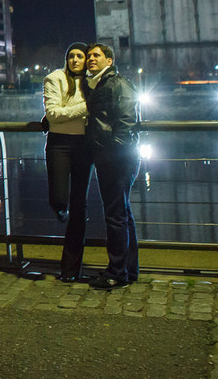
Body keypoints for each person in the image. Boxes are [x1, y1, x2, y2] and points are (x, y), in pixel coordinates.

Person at [83, 43, 141, 290]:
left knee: (116, 216)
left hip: (117, 158)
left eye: (96, 55)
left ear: (109, 60)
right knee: (122, 214)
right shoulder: (100, 84)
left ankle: (116, 272)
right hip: (113, 156)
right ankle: (128, 270)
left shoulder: (117, 83)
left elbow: (127, 122)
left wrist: (111, 153)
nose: (90, 59)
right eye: (88, 56)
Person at [42, 42, 91, 282]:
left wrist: (70, 110)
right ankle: (61, 210)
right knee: (59, 198)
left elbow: (63, 113)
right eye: (71, 56)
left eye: (79, 56)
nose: (74, 60)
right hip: (59, 144)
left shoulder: (93, 82)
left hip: (85, 146)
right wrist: (87, 107)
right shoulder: (55, 78)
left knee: (80, 208)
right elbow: (53, 114)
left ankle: (71, 270)